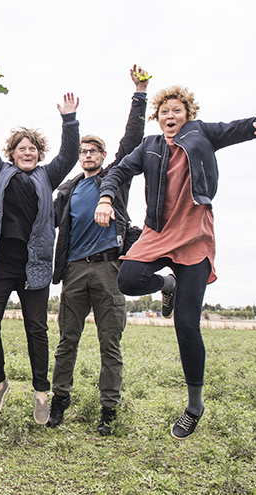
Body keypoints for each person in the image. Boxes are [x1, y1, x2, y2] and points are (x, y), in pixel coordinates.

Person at [95, 85, 256, 439]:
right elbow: (117, 172)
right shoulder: (148, 145)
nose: (170, 116)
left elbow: (239, 128)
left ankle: (194, 405)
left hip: (194, 232)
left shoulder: (202, 133)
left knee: (186, 324)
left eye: (177, 111)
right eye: (164, 111)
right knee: (129, 280)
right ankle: (169, 284)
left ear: (187, 115)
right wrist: (105, 197)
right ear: (158, 116)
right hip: (158, 230)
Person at [48, 66, 149, 435]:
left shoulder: (114, 178)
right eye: (83, 151)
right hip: (74, 270)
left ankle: (108, 410)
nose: (87, 155)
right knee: (66, 342)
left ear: (104, 155)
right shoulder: (69, 190)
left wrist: (139, 94)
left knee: (110, 344)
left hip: (109, 270)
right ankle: (60, 401)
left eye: (93, 151)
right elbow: (48, 222)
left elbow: (133, 139)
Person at [0, 94, 80, 424]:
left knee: (36, 329)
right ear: (12, 153)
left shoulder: (48, 177)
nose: (28, 152)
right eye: (22, 148)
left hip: (35, 267)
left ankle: (41, 393)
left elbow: (70, 154)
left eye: (32, 148)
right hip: (0, 264)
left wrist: (70, 120)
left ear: (38, 153)